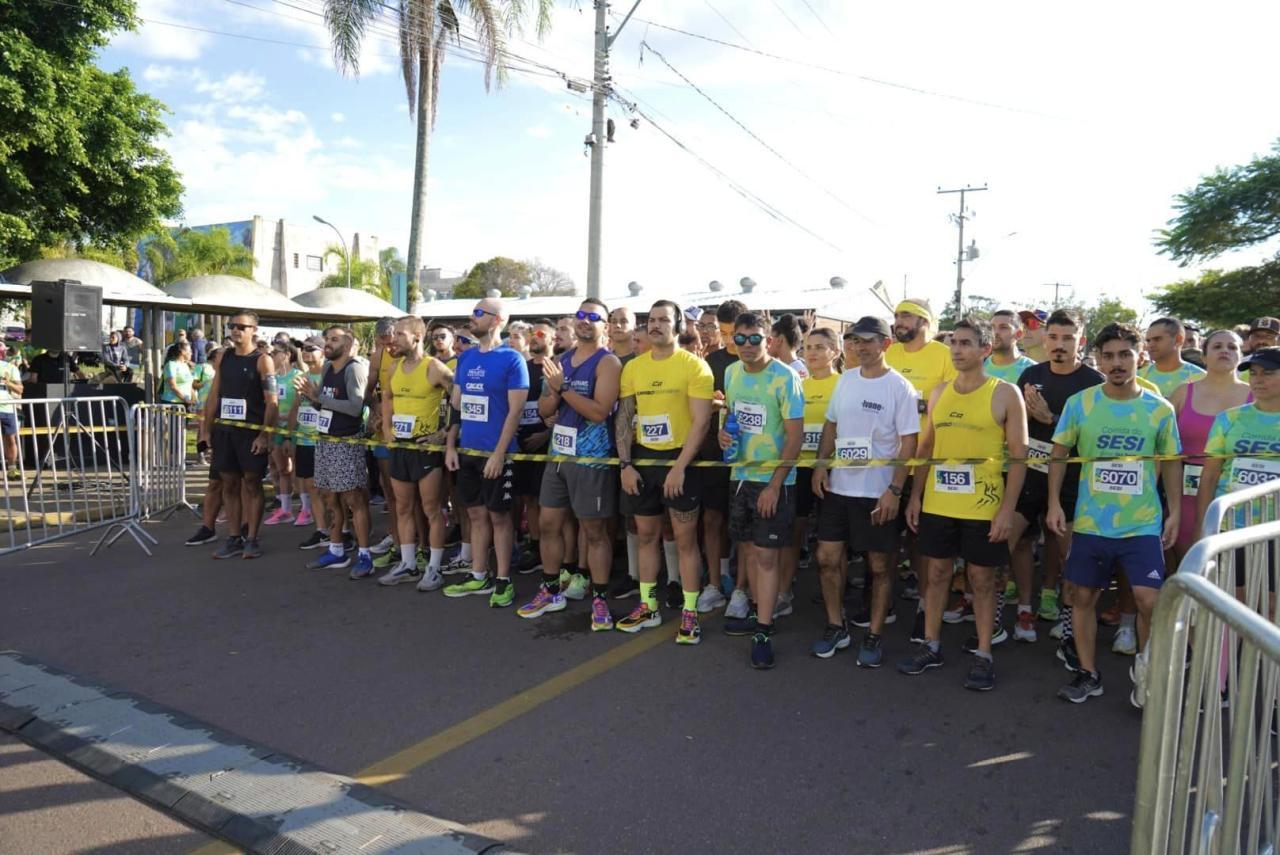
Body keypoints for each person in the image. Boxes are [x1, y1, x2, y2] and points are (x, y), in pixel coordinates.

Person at [1048, 323, 1182, 704]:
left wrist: (1174, 511)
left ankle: (1148, 673)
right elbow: (1059, 454)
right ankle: (1088, 673)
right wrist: (1054, 502)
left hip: (1141, 523)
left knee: (1149, 600)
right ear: (1099, 359)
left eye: (1125, 354)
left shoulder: (1159, 409)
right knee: (1082, 597)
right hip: (1092, 522)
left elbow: (1172, 461)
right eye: (1108, 356)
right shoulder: (1080, 404)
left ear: (1140, 356)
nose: (1117, 363)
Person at [900, 317, 1028, 691]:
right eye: (954, 342)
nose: (956, 350)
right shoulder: (940, 391)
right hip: (939, 503)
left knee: (982, 580)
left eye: (966, 343)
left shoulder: (1005, 393)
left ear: (985, 349)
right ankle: (931, 645)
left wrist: (1007, 510)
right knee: (936, 574)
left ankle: (984, 653)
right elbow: (927, 447)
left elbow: (1019, 456)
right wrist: (916, 495)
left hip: (982, 506)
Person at [811, 316, 918, 666]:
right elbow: (831, 424)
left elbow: (909, 443)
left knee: (880, 566)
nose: (860, 347)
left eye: (868, 340)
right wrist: (821, 465)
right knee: (827, 558)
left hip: (877, 492)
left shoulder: (900, 387)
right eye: (856, 341)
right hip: (839, 488)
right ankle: (835, 626)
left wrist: (895, 489)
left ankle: (874, 634)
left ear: (886, 343)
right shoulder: (846, 379)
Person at [518, 300, 622, 630]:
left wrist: (562, 388)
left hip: (591, 459)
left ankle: (600, 599)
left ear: (605, 326)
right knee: (548, 524)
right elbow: (546, 409)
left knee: (594, 532)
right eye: (581, 315)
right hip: (559, 456)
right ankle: (551, 591)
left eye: (594, 317)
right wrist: (554, 391)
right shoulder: (561, 360)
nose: (585, 321)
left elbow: (599, 412)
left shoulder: (608, 362)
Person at [1004, 310, 1103, 654]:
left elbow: (1095, 436)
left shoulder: (1094, 382)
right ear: (1045, 340)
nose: (1059, 345)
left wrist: (1052, 419)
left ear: (1081, 341)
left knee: (1069, 556)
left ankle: (1069, 623)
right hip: (1029, 475)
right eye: (1054, 337)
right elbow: (1014, 424)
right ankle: (1023, 610)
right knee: (1011, 544)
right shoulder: (1031, 374)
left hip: (1070, 483)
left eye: (1068, 338)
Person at [614, 300, 713, 642]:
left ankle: (690, 613)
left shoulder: (695, 366)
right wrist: (626, 464)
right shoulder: (634, 367)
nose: (656, 325)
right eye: (652, 320)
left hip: (682, 460)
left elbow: (701, 422)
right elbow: (625, 417)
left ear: (678, 325)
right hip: (643, 460)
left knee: (685, 541)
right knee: (646, 537)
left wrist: (680, 468)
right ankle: (648, 607)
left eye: (664, 320)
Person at [717, 311, 804, 667]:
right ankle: (758, 611)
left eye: (755, 339)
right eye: (740, 339)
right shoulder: (731, 372)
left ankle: (763, 631)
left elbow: (795, 437)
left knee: (767, 557)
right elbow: (731, 417)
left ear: (768, 341)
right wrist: (723, 434)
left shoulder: (785, 377)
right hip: (740, 476)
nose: (747, 345)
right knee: (750, 552)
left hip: (774, 481)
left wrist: (774, 485)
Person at [443, 297, 529, 607]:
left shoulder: (512, 359)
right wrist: (451, 446)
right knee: (476, 515)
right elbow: (456, 406)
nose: (472, 317)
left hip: (498, 454)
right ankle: (479, 575)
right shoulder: (465, 359)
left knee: (499, 517)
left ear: (496, 320)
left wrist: (499, 453)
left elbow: (516, 411)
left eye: (479, 312)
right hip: (468, 451)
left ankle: (503, 580)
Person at [885, 298, 957, 639]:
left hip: (928, 462)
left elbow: (956, 399)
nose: (899, 321)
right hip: (891, 461)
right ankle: (882, 601)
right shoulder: (890, 353)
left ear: (924, 322)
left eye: (906, 316)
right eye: (897, 315)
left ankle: (926, 608)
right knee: (886, 539)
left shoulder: (944, 355)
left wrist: (919, 404)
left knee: (925, 543)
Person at [378, 316, 454, 590]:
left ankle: (434, 568)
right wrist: (386, 428)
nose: (394, 339)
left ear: (417, 337)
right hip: (400, 447)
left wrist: (445, 433)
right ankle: (408, 564)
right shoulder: (395, 367)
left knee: (432, 509)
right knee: (403, 507)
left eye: (400, 334)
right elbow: (388, 398)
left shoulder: (434, 367)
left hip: (425, 448)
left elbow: (459, 398)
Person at [298, 326, 374, 577]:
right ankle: (336, 549)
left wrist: (318, 398)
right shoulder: (328, 368)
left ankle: (365, 555)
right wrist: (310, 396)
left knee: (354, 500)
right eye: (327, 339)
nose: (328, 344)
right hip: (325, 439)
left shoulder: (354, 369)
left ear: (348, 344)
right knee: (330, 498)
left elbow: (355, 407)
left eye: (334, 339)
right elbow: (323, 404)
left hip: (346, 442)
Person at [202, 310, 278, 560]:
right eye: (232, 326)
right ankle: (234, 537)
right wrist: (206, 430)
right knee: (229, 483)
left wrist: (264, 435)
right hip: (225, 432)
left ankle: (252, 538)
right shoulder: (223, 357)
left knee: (252, 483)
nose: (235, 330)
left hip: (251, 433)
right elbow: (214, 395)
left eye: (242, 327)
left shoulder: (263, 360)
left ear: (253, 330)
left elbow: (272, 401)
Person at [1170, 330, 1251, 562]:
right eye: (1217, 346)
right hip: (1184, 496)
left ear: (1241, 355)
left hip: (1234, 498)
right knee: (1185, 566)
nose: (1225, 351)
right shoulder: (1183, 392)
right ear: (1204, 356)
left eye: (1232, 347)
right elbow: (1161, 445)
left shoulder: (1256, 396)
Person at [695, 299, 747, 613]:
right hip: (715, 451)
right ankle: (715, 582)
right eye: (724, 333)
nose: (729, 340)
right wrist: (714, 403)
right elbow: (700, 404)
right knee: (712, 517)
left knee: (743, 525)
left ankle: (742, 589)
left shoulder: (758, 361)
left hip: (750, 454)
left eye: (734, 333)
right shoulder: (710, 361)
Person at [287, 337, 325, 542]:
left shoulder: (329, 375)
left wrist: (313, 395)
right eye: (304, 349)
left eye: (312, 349)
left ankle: (341, 531)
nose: (306, 352)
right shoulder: (302, 377)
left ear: (323, 352)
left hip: (325, 441)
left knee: (330, 491)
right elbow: (296, 408)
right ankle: (322, 530)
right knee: (312, 487)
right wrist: (289, 437)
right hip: (304, 441)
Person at [264, 341, 302, 526]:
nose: (271, 356)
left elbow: (300, 403)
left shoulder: (298, 376)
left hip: (295, 428)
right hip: (276, 428)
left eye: (275, 353)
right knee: (282, 470)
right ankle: (286, 510)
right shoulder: (272, 378)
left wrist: (289, 416)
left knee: (298, 471)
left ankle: (306, 508)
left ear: (287, 354)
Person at [1140, 317, 1206, 396]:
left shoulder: (1201, 378)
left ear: (1178, 340)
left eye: (1157, 339)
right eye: (1148, 341)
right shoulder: (1137, 377)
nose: (1150, 345)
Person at [984, 309, 1037, 383]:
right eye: (992, 327)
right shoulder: (978, 365)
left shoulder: (1033, 370)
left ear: (1019, 334)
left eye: (1003, 327)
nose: (995, 332)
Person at [0, 342, 23, 476]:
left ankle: (12, 469)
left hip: (7, 408)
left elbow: (20, 389)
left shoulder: (10, 367)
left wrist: (7, 383)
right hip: (7, 408)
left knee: (10, 439)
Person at [768, 313, 809, 379]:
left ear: (780, 340)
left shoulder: (797, 370)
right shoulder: (788, 367)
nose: (767, 343)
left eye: (770, 339)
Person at [159, 342, 196, 406]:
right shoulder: (171, 365)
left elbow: (189, 385)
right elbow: (173, 386)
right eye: (190, 351)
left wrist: (194, 398)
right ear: (182, 352)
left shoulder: (185, 365)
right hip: (172, 403)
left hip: (186, 402)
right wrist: (186, 399)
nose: (191, 353)